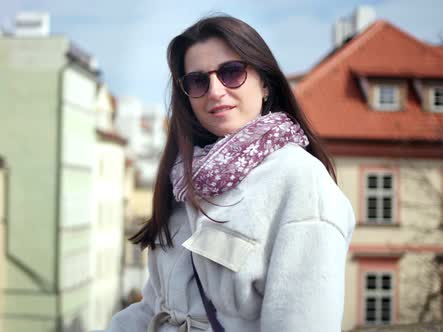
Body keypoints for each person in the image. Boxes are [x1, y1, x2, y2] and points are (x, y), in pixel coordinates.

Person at [105, 15, 355, 332]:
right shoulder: (184, 179)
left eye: (231, 72)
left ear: (265, 83)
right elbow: (156, 309)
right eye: (198, 81)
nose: (215, 91)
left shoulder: (300, 181)